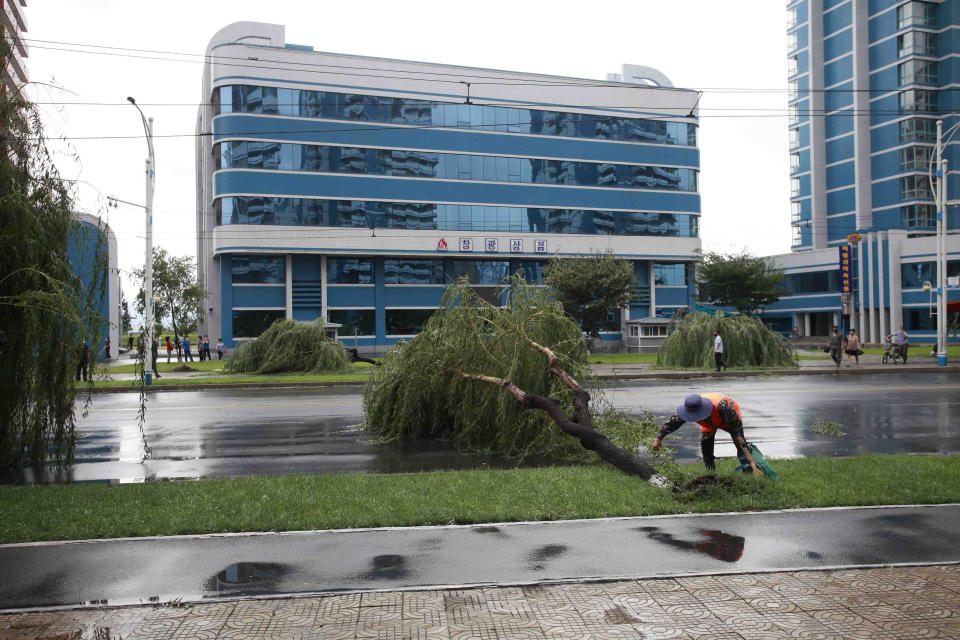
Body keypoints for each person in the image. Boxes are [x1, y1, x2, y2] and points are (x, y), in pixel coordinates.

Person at [652, 393, 763, 478]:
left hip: (726, 419)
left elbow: (736, 424)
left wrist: (738, 436)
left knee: (740, 445)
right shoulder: (688, 408)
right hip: (709, 423)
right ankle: (710, 472)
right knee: (706, 444)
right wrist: (658, 439)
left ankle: (749, 469)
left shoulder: (723, 407)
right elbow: (672, 423)